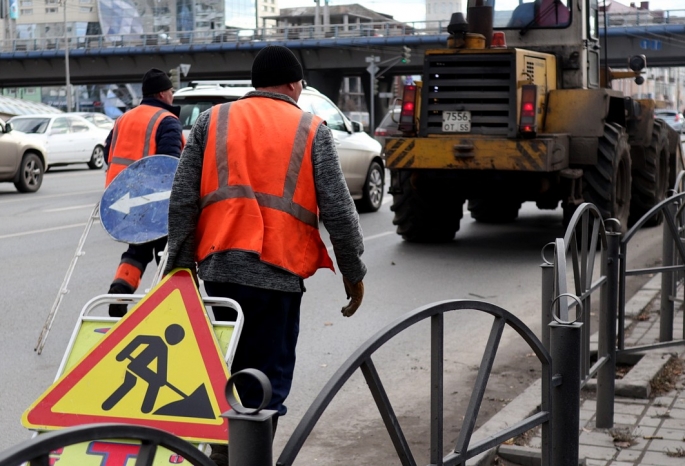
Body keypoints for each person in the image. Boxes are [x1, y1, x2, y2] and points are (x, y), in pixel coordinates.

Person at [162, 45, 366, 465]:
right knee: (264, 385)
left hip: (218, 272)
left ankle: (222, 453)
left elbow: (182, 199)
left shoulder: (211, 121)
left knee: (221, 373)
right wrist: (353, 272)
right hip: (277, 277)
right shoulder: (312, 128)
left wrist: (179, 266)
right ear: (293, 84)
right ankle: (246, 457)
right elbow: (340, 212)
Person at [104, 68, 185, 318]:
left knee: (137, 249)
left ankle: (121, 289)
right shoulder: (166, 120)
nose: (172, 95)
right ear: (162, 93)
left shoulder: (124, 119)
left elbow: (109, 151)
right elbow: (169, 164)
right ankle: (167, 302)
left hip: (122, 199)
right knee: (169, 252)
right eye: (171, 90)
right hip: (155, 200)